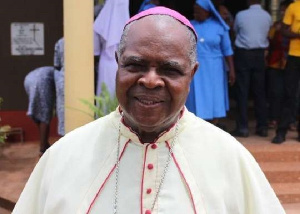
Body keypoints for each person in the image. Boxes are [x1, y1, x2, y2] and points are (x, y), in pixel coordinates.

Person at [13, 7, 284, 214]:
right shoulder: (65, 155)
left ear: (192, 74)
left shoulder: (229, 157)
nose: (150, 81)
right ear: (119, 64)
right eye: (136, 65)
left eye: (169, 69)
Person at [186, 0, 235, 128]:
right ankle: (196, 124)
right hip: (195, 66)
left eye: (198, 10)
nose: (195, 13)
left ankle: (213, 123)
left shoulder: (220, 27)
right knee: (196, 94)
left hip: (215, 67)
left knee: (214, 94)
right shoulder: (190, 25)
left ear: (207, 11)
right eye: (194, 10)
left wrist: (232, 70)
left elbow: (227, 50)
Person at [231, 0, 272, 137]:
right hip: (260, 55)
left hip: (243, 54)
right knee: (259, 92)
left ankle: (243, 127)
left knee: (242, 91)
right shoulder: (267, 15)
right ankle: (262, 127)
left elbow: (236, 31)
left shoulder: (241, 15)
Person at [272, 0, 300, 144]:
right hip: (294, 57)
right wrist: (296, 34)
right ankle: (281, 132)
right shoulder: (293, 6)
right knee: (289, 94)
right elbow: (283, 30)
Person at [94, 0, 129, 96]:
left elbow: (95, 50)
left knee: (105, 98)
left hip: (105, 63)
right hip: (122, 64)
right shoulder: (129, 28)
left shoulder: (100, 24)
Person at [266, 0, 292, 129]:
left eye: (285, 10)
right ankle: (274, 118)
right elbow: (268, 41)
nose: (283, 13)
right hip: (275, 62)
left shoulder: (296, 28)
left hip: (292, 63)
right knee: (275, 92)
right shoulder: (276, 26)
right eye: (282, 10)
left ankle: (291, 121)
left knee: (292, 93)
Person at [24, 66, 55, 156]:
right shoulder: (60, 73)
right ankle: (43, 148)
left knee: (38, 112)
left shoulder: (51, 71)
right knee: (45, 115)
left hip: (28, 79)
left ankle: (44, 143)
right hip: (42, 80)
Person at [54, 37, 65, 136]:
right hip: (82, 78)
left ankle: (63, 135)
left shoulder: (60, 42)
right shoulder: (85, 40)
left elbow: (56, 64)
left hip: (63, 78)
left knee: (62, 110)